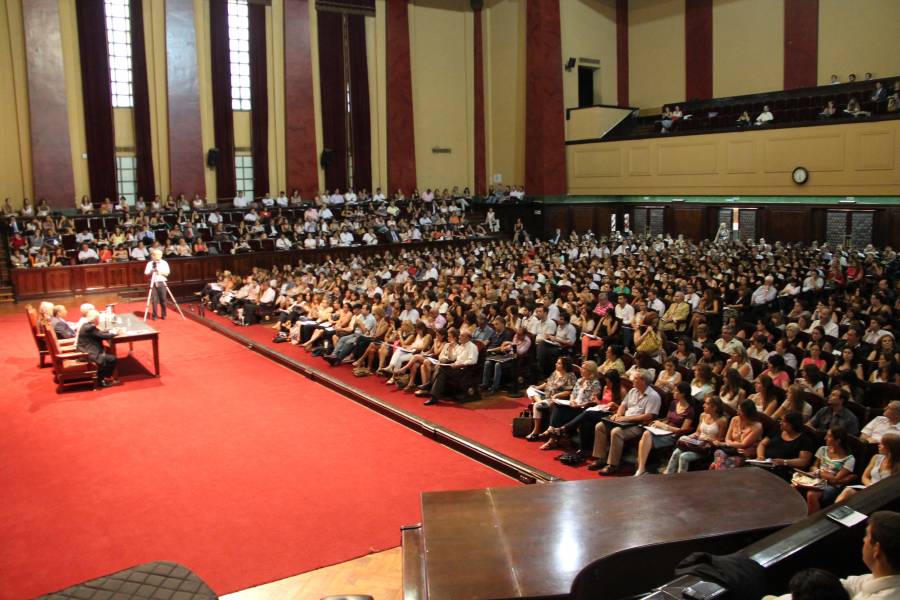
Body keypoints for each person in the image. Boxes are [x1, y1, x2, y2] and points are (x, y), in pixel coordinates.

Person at [588, 369, 661, 475]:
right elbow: (623, 405)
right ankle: (601, 458)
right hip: (624, 420)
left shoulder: (653, 396)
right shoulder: (632, 391)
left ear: (643, 381)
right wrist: (619, 414)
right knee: (600, 426)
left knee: (616, 432)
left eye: (635, 379)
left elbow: (648, 416)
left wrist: (627, 419)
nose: (632, 381)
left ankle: (613, 464)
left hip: (638, 425)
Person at [633, 381, 695, 475]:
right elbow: (667, 418)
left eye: (676, 391)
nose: (674, 392)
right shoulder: (673, 403)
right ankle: (641, 468)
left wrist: (665, 426)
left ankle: (640, 468)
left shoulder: (690, 411)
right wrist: (657, 423)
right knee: (646, 434)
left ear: (682, 394)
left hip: (674, 435)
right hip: (664, 431)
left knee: (644, 439)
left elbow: (682, 430)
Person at [798, 426, 856, 514]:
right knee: (794, 485)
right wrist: (819, 472)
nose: (825, 438)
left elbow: (835, 479)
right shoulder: (823, 449)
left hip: (830, 485)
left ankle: (812, 520)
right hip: (816, 479)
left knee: (811, 494)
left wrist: (819, 472)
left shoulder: (849, 459)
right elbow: (813, 467)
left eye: (828, 436)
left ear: (838, 441)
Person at [836, 434, 899, 504]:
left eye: (882, 444)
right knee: (847, 491)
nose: (879, 445)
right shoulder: (876, 457)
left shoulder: (898, 466)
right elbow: (864, 477)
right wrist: (870, 485)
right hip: (869, 487)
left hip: (883, 493)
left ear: (890, 447)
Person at [76, 309, 120, 388]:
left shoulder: (86, 325)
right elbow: (102, 335)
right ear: (96, 319)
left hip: (85, 350)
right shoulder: (90, 328)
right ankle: (101, 379)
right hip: (88, 354)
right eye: (98, 318)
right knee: (112, 359)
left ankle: (101, 377)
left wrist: (108, 332)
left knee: (107, 353)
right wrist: (115, 333)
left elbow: (98, 333)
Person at [144, 249, 171, 320]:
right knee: (154, 300)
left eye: (159, 254)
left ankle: (164, 314)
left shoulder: (164, 263)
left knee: (163, 299)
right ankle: (154, 315)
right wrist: (151, 271)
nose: (158, 256)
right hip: (152, 282)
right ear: (152, 255)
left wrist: (159, 272)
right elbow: (146, 273)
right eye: (156, 254)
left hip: (161, 282)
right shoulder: (150, 263)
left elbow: (167, 273)